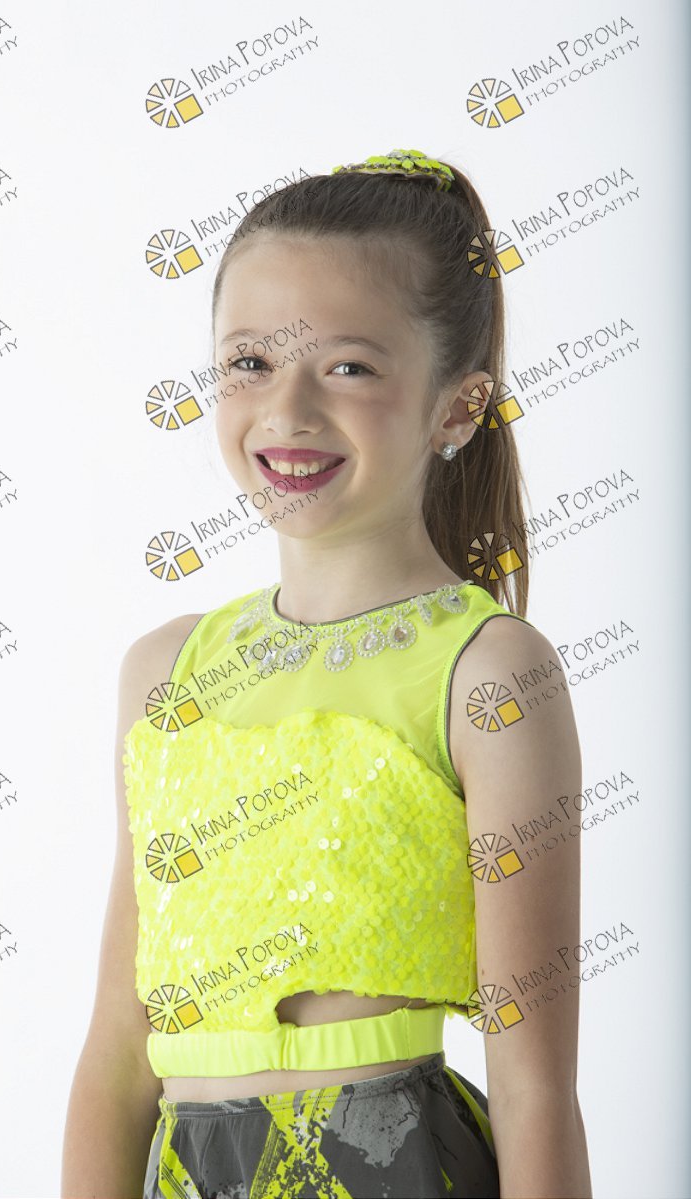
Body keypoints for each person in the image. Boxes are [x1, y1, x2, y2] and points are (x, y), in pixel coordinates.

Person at [62, 148, 592, 1198]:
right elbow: (119, 1051)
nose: (287, 409)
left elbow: (533, 1082)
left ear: (456, 407)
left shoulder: (486, 675)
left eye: (348, 367)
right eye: (250, 361)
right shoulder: (165, 672)